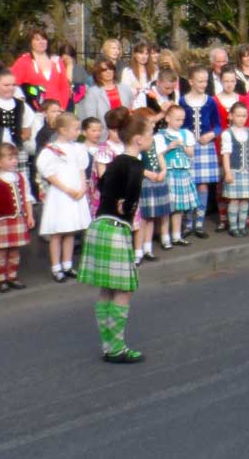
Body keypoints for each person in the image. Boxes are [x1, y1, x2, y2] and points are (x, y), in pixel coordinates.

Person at [79, 109, 151, 364]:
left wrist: (115, 200)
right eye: (150, 133)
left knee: (107, 289)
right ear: (138, 140)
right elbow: (131, 201)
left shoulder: (116, 160)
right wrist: (127, 209)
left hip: (99, 223)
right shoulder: (135, 164)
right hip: (116, 228)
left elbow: (101, 186)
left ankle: (109, 345)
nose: (151, 138)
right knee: (124, 288)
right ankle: (116, 347)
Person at [37, 112, 91, 280]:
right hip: (61, 194)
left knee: (70, 230)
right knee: (58, 231)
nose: (78, 132)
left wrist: (82, 188)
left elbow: (82, 169)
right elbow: (48, 173)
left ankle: (67, 265)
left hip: (76, 192)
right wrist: (67, 189)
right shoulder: (51, 150)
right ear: (63, 130)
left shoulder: (78, 148)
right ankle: (56, 267)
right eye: (75, 129)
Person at [0, 142, 35, 291]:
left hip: (18, 218)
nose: (14, 161)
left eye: (15, 157)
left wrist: (29, 215)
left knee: (14, 249)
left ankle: (12, 275)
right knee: (1, 250)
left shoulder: (20, 177)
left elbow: (27, 197)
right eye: (10, 158)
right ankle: (1, 278)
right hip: (2, 221)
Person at [179, 65, 220, 238]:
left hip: (205, 147)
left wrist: (211, 134)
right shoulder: (182, 101)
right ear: (191, 81)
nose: (204, 84)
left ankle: (199, 223)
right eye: (200, 81)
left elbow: (218, 126)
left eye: (206, 81)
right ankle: (188, 223)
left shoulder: (210, 101)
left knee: (203, 185)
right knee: (189, 185)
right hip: (188, 147)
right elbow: (178, 124)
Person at [157, 103, 198, 249]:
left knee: (179, 207)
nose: (179, 122)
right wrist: (170, 147)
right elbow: (158, 154)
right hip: (169, 172)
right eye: (176, 119)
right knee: (168, 207)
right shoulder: (160, 135)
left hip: (182, 172)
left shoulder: (186, 134)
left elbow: (191, 153)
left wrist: (184, 146)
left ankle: (176, 235)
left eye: (182, 119)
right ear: (167, 118)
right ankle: (165, 237)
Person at [218, 101, 249, 236]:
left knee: (245, 199)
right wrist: (228, 172)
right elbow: (226, 155)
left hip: (247, 171)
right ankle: (233, 226)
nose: (241, 119)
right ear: (231, 116)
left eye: (244, 116)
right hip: (234, 171)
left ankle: (242, 225)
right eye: (238, 116)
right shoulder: (227, 133)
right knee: (234, 200)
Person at [133, 108, 168, 263]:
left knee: (152, 217)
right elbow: (136, 163)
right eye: (149, 122)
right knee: (143, 218)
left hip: (157, 178)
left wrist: (163, 170)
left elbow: (160, 156)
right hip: (145, 181)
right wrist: (147, 173)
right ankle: (138, 251)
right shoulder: (137, 142)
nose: (152, 124)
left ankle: (148, 248)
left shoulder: (157, 140)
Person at [10, 28, 70, 112]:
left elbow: (64, 87)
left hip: (57, 110)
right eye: (37, 39)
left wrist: (62, 108)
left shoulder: (57, 61)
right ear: (30, 42)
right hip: (35, 110)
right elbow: (12, 83)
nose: (41, 42)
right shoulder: (23, 61)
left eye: (43, 38)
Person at [120, 41, 156, 107]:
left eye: (146, 54)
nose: (144, 56)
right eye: (141, 53)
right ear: (135, 54)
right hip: (134, 107)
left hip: (151, 107)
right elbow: (124, 92)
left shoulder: (154, 71)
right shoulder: (128, 72)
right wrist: (137, 90)